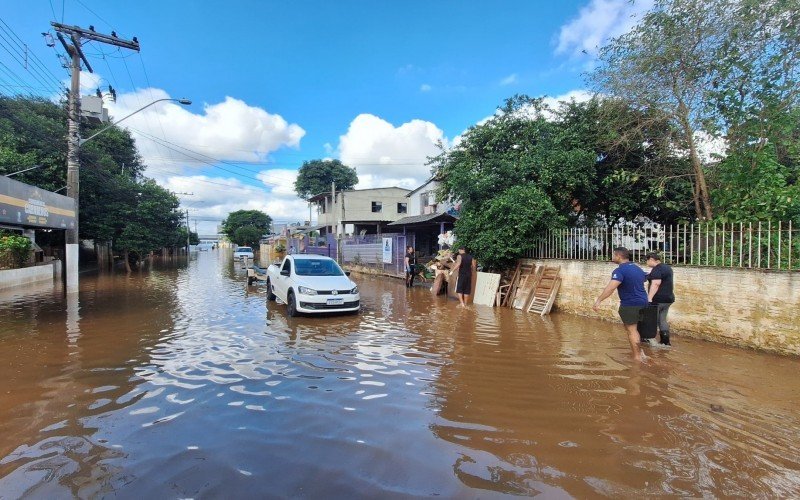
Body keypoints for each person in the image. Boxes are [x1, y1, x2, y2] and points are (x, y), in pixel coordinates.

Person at [593, 247, 649, 362]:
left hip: (630, 304)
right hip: (643, 302)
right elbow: (644, 278)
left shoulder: (619, 271)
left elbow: (611, 288)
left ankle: (637, 358)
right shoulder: (637, 268)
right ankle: (640, 353)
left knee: (631, 331)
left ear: (618, 256)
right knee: (636, 330)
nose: (612, 257)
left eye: (613, 255)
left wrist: (598, 300)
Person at [646, 252, 674, 346]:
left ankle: (650, 340)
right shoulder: (667, 268)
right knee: (662, 320)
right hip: (668, 299)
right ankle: (665, 342)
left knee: (651, 319)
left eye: (647, 260)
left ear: (651, 259)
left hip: (658, 299)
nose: (646, 262)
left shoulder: (657, 269)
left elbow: (656, 284)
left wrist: (649, 298)